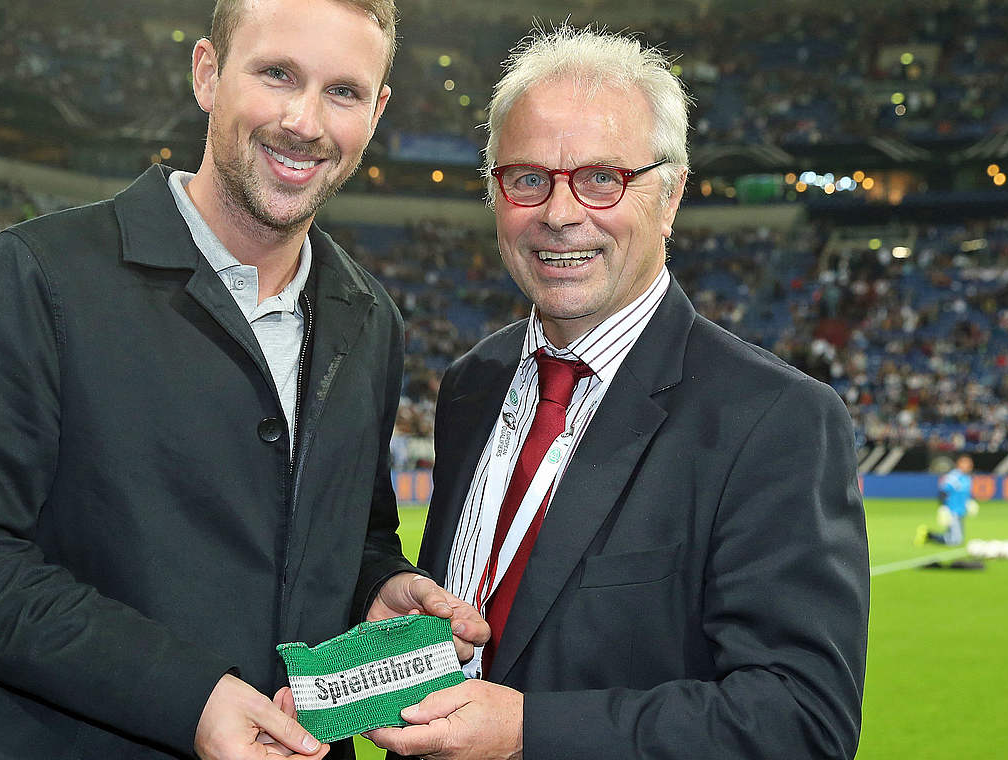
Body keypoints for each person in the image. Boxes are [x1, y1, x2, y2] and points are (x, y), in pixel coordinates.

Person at [0, 1, 488, 758]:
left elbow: (349, 533)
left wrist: (373, 587)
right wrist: (187, 696)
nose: (305, 121)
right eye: (276, 74)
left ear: (376, 109)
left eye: (344, 91)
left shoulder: (371, 319)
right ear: (207, 73)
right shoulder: (44, 273)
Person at [366, 25, 869, 760]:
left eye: (603, 178)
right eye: (527, 178)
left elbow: (801, 723)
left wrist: (525, 732)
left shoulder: (777, 419)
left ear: (669, 197)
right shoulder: (473, 385)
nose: (560, 213)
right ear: (494, 193)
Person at [916, 455, 975, 547]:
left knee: (956, 537)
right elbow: (943, 491)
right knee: (955, 540)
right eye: (965, 463)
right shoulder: (954, 477)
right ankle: (928, 535)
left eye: (969, 463)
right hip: (952, 511)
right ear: (959, 464)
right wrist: (943, 508)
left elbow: (964, 494)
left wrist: (969, 503)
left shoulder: (967, 478)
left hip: (960, 511)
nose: (969, 465)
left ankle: (928, 535)